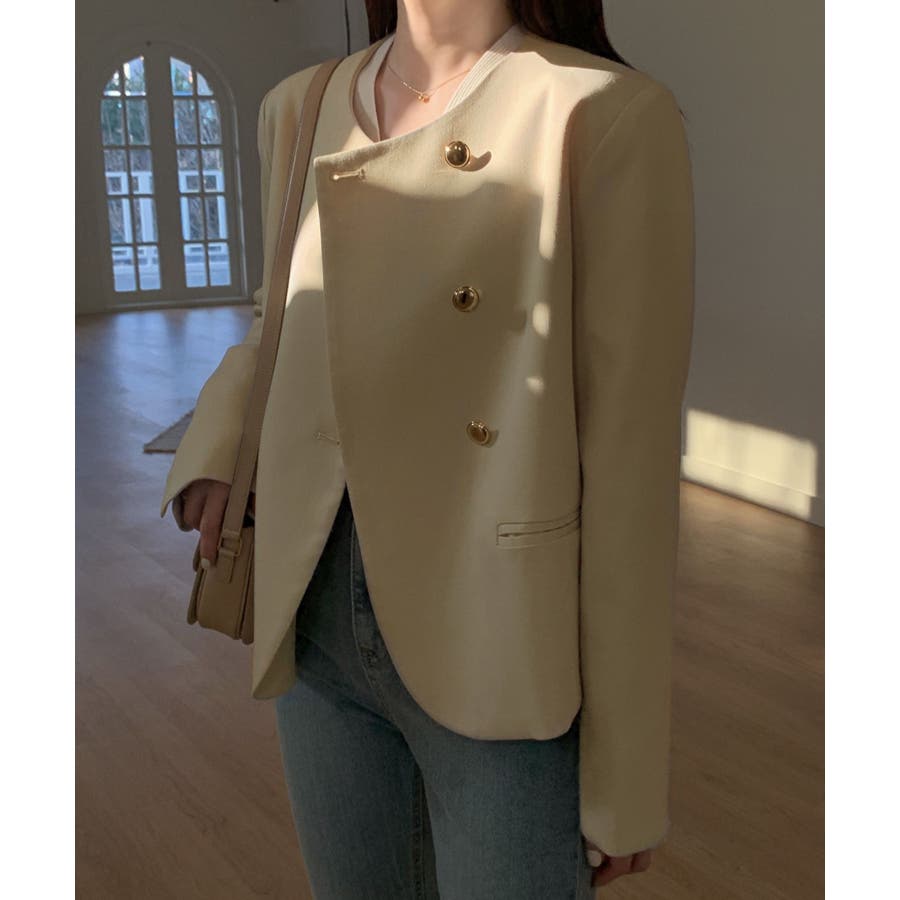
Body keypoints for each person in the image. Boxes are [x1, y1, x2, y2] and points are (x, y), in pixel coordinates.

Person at [162, 0, 695, 896]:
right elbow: (278, 313)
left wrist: (626, 773)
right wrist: (221, 439)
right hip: (315, 599)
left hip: (496, 625)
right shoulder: (300, 103)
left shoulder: (601, 111)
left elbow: (629, 466)